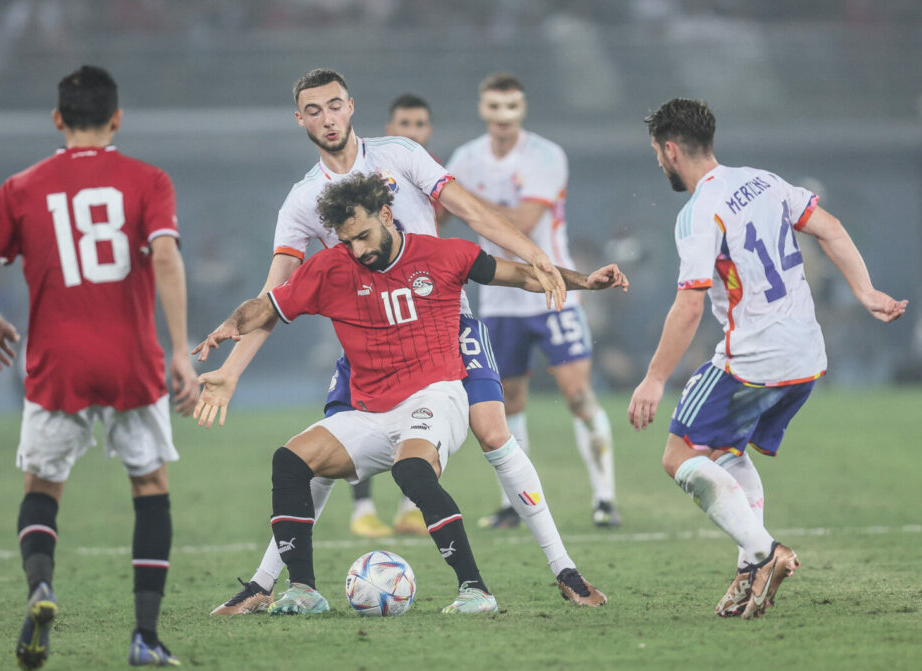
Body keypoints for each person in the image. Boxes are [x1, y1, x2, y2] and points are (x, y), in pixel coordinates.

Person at [199, 68, 608, 617]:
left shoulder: (400, 155)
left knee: (492, 430)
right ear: (301, 120)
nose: (327, 118)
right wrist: (232, 371)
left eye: (334, 106)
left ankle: (563, 568)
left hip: (445, 321)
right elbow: (274, 298)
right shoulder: (301, 202)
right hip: (367, 342)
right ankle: (273, 582)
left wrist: (534, 253)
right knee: (313, 460)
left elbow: (471, 212)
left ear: (351, 107)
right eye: (313, 111)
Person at [628, 97, 908, 619]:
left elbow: (690, 302)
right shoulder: (765, 181)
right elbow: (831, 228)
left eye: (656, 153)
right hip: (806, 356)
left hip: (751, 360)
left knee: (678, 455)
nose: (659, 162)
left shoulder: (697, 213)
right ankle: (747, 568)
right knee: (727, 451)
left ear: (670, 150)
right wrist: (866, 291)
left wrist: (653, 378)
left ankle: (764, 552)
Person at [0, 65, 200, 669]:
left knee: (42, 486)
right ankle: (145, 637)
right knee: (150, 487)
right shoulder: (148, 180)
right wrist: (178, 348)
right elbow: (166, 256)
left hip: (55, 362)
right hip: (130, 360)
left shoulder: (21, 187)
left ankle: (41, 586)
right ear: (117, 118)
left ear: (58, 119)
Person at [446, 73, 620, 529]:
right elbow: (444, 212)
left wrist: (467, 200)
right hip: (501, 298)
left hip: (552, 287)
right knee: (509, 403)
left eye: (511, 107)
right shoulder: (464, 158)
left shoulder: (545, 155)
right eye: (494, 107)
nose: (503, 117)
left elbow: (522, 222)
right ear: (482, 109)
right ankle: (517, 504)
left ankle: (605, 498)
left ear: (522, 109)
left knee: (578, 393)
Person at [343, 92, 439, 539]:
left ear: (429, 131)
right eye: (404, 123)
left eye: (419, 124)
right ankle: (362, 508)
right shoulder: (370, 169)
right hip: (366, 300)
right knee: (356, 400)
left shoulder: (430, 175)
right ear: (389, 126)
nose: (412, 131)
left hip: (424, 307)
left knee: (427, 404)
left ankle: (409, 506)